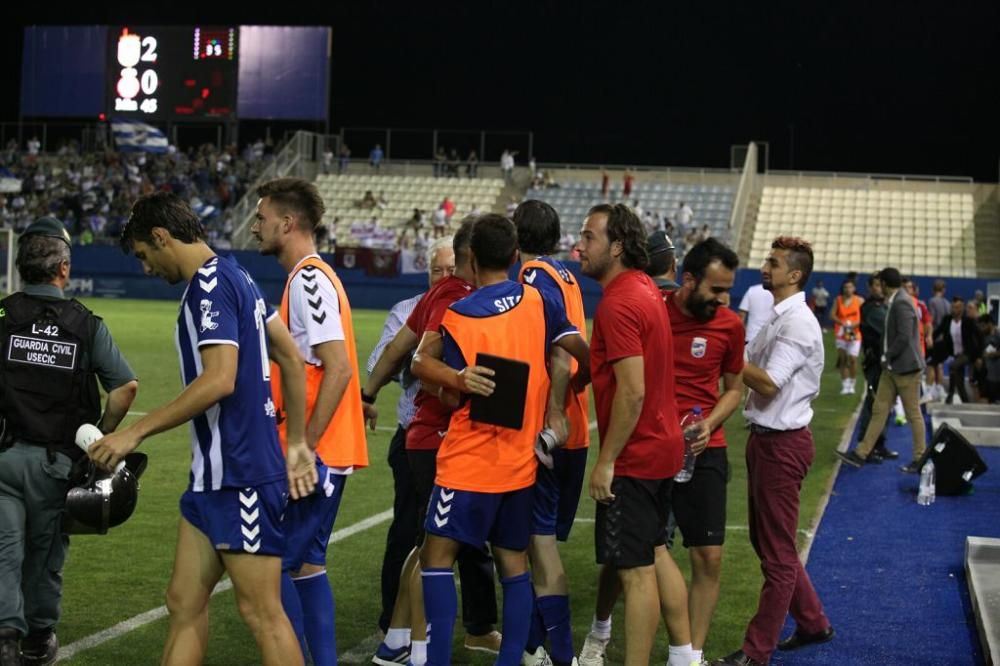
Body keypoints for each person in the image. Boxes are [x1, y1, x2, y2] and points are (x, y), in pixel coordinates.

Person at [88, 192, 317, 666]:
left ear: (161, 237)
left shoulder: (209, 286)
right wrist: (296, 443)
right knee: (183, 602)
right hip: (212, 482)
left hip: (242, 478)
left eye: (144, 255)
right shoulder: (238, 275)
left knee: (262, 614)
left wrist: (135, 432)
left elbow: (220, 378)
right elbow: (291, 358)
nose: (146, 268)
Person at [411, 214, 589, 666]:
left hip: (467, 462)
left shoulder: (459, 314)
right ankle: (510, 660)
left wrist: (458, 377)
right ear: (514, 256)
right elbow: (578, 350)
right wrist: (578, 384)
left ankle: (434, 661)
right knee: (514, 565)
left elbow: (419, 364)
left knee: (436, 557)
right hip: (519, 465)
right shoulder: (537, 301)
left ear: (469, 257)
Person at [0, 218, 138, 666]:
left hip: (3, 458)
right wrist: (99, 433)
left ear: (21, 268)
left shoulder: (1, 317)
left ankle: (4, 636)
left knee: (4, 549)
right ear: (63, 269)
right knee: (44, 553)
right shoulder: (85, 325)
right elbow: (125, 389)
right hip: (55, 463)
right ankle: (38, 640)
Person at [364, 219, 502, 666]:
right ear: (476, 259)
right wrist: (456, 384)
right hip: (440, 437)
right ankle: (421, 649)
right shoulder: (461, 300)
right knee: (438, 552)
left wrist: (368, 394)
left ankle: (395, 640)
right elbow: (423, 360)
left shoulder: (433, 297)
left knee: (428, 545)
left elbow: (395, 352)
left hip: (423, 437)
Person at [251, 178, 369, 665]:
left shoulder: (309, 280)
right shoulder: (309, 278)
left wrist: (304, 446)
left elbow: (337, 366)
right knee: (307, 567)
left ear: (287, 222)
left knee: (268, 567)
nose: (255, 226)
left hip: (314, 456)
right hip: (323, 454)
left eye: (261, 218)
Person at [575, 204, 689, 666]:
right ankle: (684, 655)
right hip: (663, 446)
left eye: (589, 237)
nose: (578, 247)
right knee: (653, 552)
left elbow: (632, 392)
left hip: (638, 455)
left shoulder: (621, 300)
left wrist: (607, 461)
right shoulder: (643, 288)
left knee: (636, 572)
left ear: (617, 246)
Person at [716, 236, 833, 666]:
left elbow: (767, 382)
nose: (766, 266)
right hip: (768, 442)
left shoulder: (797, 322)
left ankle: (756, 651)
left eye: (774, 262)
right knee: (769, 542)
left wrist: (724, 349)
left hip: (781, 446)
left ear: (795, 275)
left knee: (778, 554)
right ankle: (813, 621)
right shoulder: (780, 316)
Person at [513, 201, 592, 666]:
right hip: (573, 429)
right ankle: (534, 645)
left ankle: (559, 654)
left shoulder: (533, 279)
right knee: (537, 541)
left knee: (536, 546)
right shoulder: (567, 276)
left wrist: (554, 412)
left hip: (549, 429)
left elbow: (561, 351)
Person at [366, 236, 455, 639]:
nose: (445, 277)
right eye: (438, 270)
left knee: (453, 540)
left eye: (452, 269)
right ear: (427, 272)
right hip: (413, 436)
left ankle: (468, 623)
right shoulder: (408, 310)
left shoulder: (473, 308)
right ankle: (394, 623)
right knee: (409, 532)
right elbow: (380, 362)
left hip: (460, 441)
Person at [837, 267, 927, 473]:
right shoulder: (898, 300)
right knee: (879, 410)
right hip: (893, 368)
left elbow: (904, 336)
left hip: (905, 368)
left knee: (913, 414)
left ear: (885, 284)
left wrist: (887, 356)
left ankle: (920, 458)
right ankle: (861, 452)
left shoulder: (902, 302)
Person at [854, 272, 898, 462]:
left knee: (884, 405)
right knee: (873, 404)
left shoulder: (886, 307)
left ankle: (879, 444)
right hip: (875, 363)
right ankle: (866, 445)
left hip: (885, 363)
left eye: (881, 285)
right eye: (876, 285)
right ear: (871, 288)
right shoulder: (871, 308)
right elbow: (887, 331)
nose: (879, 289)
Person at [932, 296, 983, 405]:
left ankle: (950, 395)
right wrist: (928, 339)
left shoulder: (968, 321)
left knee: (952, 366)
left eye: (958, 307)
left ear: (962, 308)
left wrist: (979, 356)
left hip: (968, 354)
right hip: (954, 353)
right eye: (953, 307)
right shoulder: (947, 319)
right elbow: (937, 332)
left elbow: (980, 338)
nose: (955, 309)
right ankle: (967, 403)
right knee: (959, 383)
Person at [832, 279, 864, 395]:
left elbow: (863, 316)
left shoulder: (859, 301)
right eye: (846, 287)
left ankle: (852, 383)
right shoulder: (838, 300)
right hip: (841, 332)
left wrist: (855, 324)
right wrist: (842, 323)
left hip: (854, 333)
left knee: (853, 359)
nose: (848, 289)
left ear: (854, 288)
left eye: (850, 287)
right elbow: (832, 315)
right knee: (843, 359)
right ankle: (845, 385)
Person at [927, 280, 950, 400]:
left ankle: (930, 390)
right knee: (939, 364)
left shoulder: (932, 301)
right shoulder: (947, 303)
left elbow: (931, 319)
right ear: (943, 290)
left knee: (931, 364)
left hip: (935, 337)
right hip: (944, 339)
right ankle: (939, 389)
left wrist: (929, 335)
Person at [978, 314, 1000, 404]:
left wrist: (992, 354)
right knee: (984, 399)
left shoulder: (998, 334)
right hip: (985, 373)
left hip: (996, 375)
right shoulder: (982, 335)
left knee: (995, 402)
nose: (982, 328)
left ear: (989, 324)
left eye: (983, 326)